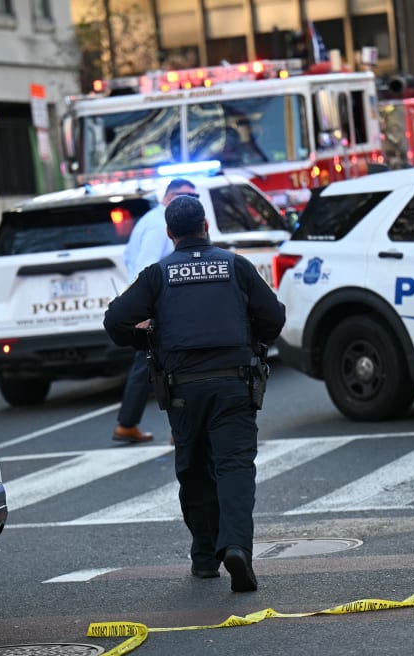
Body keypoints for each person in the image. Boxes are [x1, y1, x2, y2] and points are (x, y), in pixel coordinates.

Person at [103, 195, 285, 592]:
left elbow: (115, 321)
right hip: (235, 385)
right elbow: (274, 317)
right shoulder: (236, 266)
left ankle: (204, 558)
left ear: (169, 234)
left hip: (183, 391)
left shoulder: (158, 275)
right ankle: (236, 547)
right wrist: (251, 336)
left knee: (193, 470)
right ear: (207, 225)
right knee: (235, 468)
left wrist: (150, 339)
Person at [112, 178, 199, 444]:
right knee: (172, 366)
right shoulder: (161, 224)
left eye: (195, 195)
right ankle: (176, 428)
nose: (192, 200)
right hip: (160, 305)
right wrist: (146, 311)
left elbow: (130, 258)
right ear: (169, 196)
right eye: (186, 195)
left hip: (156, 302)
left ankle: (129, 424)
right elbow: (146, 267)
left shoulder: (152, 219)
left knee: (153, 365)